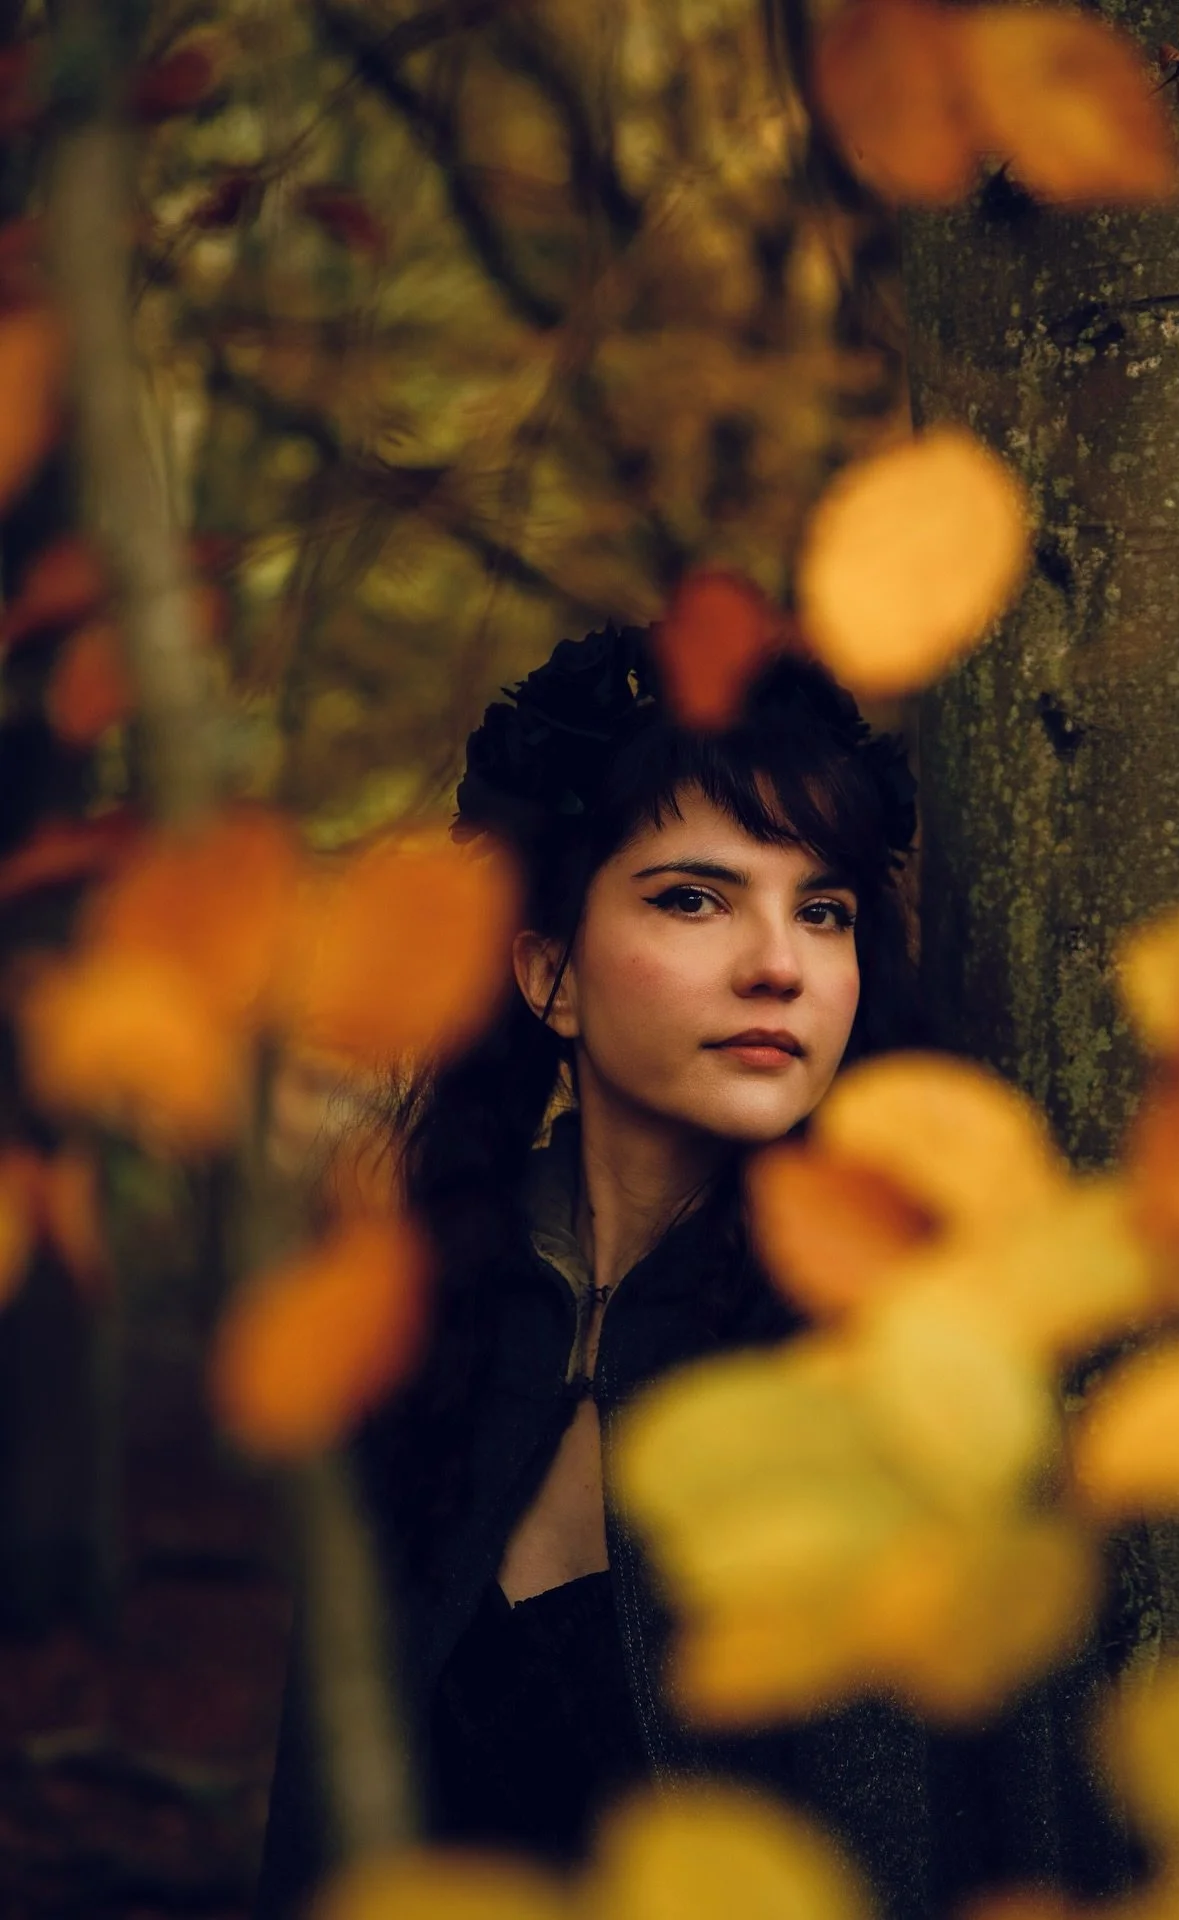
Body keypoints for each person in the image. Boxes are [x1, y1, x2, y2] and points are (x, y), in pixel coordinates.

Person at [253, 626, 1123, 1920]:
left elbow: (1035, 1830)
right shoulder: (428, 1322)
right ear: (548, 971)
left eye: (821, 911)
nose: (779, 962)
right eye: (694, 899)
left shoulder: (919, 1355)